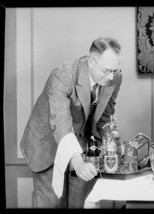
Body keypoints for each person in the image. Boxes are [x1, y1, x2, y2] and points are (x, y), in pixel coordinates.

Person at [20, 37, 123, 208]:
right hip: (48, 146)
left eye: (115, 70)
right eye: (106, 71)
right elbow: (61, 123)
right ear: (91, 62)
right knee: (53, 204)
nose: (111, 76)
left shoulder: (115, 77)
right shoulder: (62, 74)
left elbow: (105, 117)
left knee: (81, 204)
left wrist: (111, 145)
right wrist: (77, 162)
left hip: (84, 146)